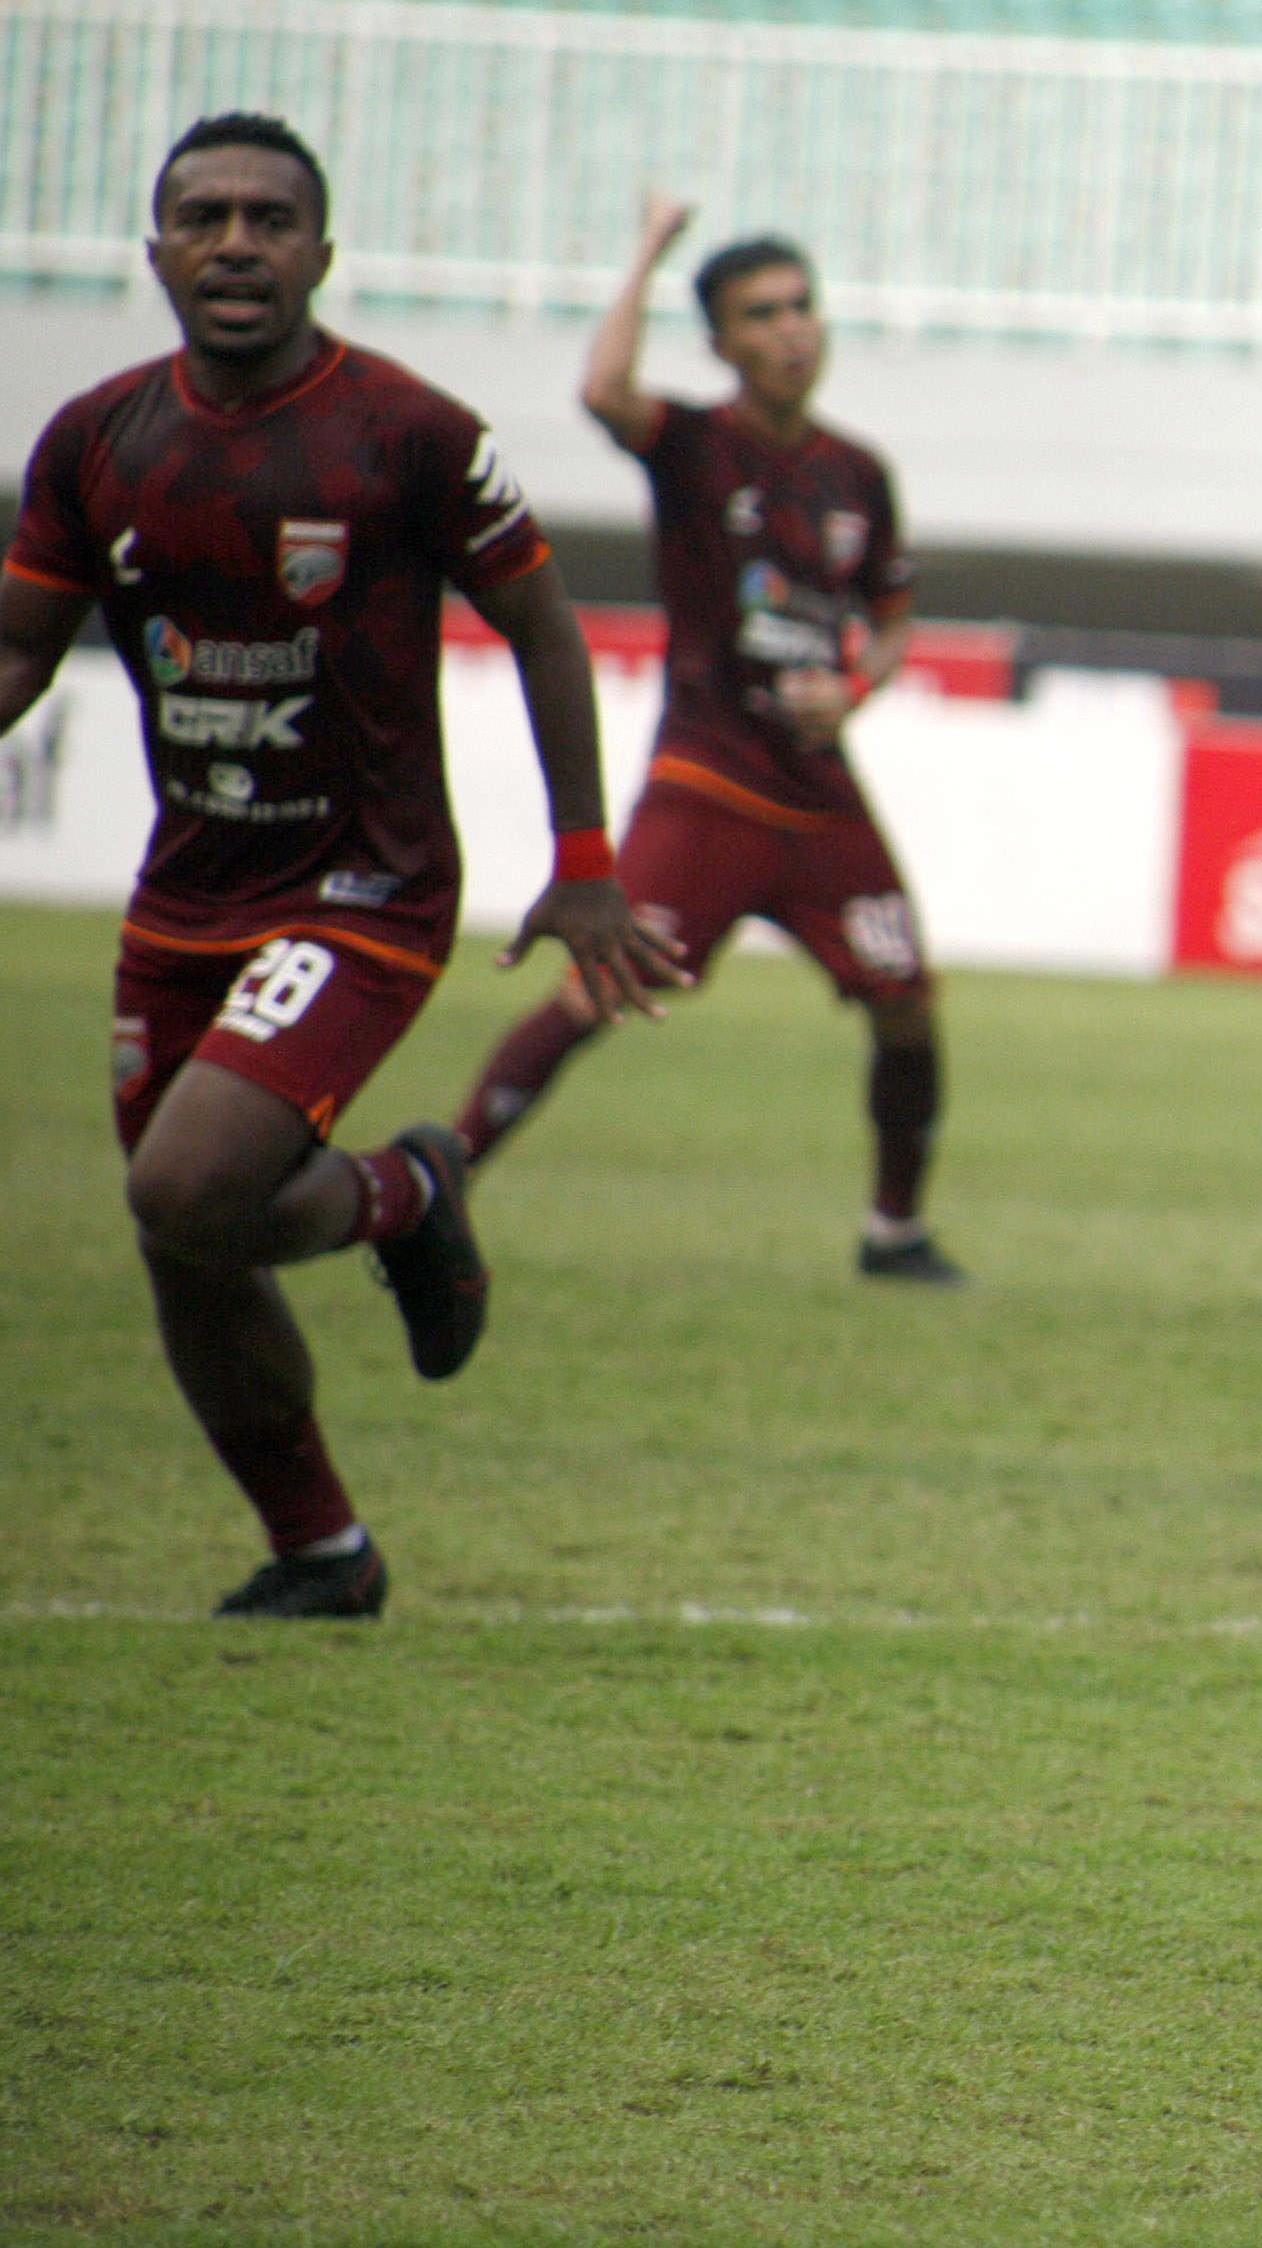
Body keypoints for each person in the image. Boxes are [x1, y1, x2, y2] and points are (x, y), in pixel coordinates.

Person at [0, 113, 683, 1618]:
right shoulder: (94, 439)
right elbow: (17, 648)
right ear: (156, 248)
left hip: (363, 890)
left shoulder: (406, 431)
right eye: (203, 215)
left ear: (323, 250)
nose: (235, 242)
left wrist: (583, 861)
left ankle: (401, 1188)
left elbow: (548, 626)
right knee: (187, 1240)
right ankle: (322, 1549)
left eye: (267, 218)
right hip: (182, 897)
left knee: (187, 1186)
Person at [449, 195, 959, 1282]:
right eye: (762, 314)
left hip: (822, 793)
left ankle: (894, 1233)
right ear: (722, 342)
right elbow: (600, 391)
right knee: (595, 991)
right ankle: (441, 1181)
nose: (792, 329)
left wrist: (857, 686)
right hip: (710, 780)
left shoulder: (857, 473)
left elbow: (898, 617)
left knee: (907, 1004)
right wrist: (646, 248)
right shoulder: (694, 446)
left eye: (802, 306)